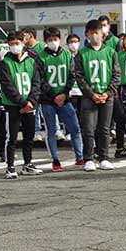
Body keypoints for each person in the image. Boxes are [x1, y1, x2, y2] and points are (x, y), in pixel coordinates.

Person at [74, 19, 120, 172]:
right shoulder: (82, 53)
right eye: (91, 33)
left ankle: (104, 157)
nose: (95, 36)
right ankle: (88, 158)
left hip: (107, 96)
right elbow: (79, 76)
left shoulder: (111, 52)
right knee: (88, 128)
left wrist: (107, 93)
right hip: (89, 96)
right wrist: (91, 94)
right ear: (87, 34)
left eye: (97, 32)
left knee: (104, 128)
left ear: (103, 34)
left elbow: (116, 75)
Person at [37, 27, 85, 171]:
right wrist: (54, 95)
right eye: (50, 40)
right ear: (45, 41)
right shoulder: (40, 57)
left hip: (65, 98)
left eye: (56, 39)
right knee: (51, 131)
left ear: (60, 39)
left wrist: (64, 93)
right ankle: (55, 159)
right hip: (48, 100)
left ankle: (80, 157)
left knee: (75, 128)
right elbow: (40, 79)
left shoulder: (67, 55)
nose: (53, 42)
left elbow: (72, 75)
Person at [0, 32, 42, 178]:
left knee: (29, 136)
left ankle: (27, 164)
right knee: (11, 137)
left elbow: (36, 83)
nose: (14, 46)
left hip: (29, 105)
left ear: (23, 43)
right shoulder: (5, 63)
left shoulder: (31, 61)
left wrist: (31, 101)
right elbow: (7, 86)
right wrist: (22, 102)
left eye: (17, 43)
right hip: (12, 105)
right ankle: (10, 166)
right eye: (11, 44)